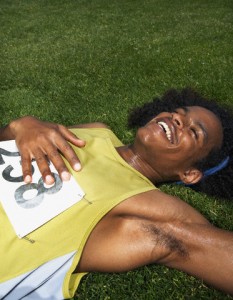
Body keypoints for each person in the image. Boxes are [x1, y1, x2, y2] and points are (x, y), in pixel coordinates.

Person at [0, 88, 233, 299]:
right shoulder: (98, 132)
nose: (178, 119)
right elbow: (10, 145)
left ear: (190, 174)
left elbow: (193, 241)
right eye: (179, 112)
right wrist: (20, 127)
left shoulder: (146, 201)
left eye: (193, 132)